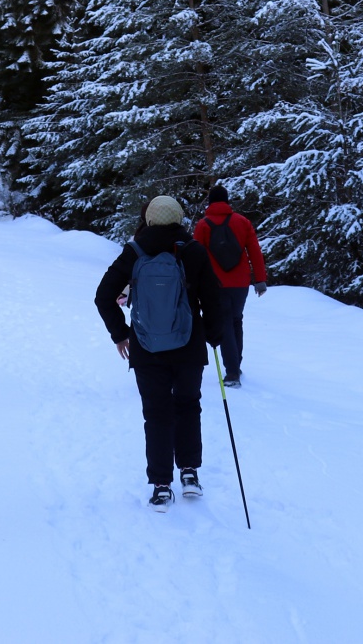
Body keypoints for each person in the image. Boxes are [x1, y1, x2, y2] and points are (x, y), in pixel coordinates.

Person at [94, 195, 226, 512]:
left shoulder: (134, 251)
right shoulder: (194, 251)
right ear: (179, 218)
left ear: (149, 219)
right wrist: (213, 335)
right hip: (189, 345)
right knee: (188, 406)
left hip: (146, 346)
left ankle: (161, 486)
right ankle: (190, 472)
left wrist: (121, 334)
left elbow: (103, 296)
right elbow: (214, 299)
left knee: (156, 414)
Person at [193, 185, 267, 389]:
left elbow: (195, 256)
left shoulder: (203, 225)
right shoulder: (242, 222)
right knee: (236, 320)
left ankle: (232, 372)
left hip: (215, 283)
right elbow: (254, 251)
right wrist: (260, 280)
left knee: (224, 322)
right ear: (227, 201)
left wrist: (194, 283)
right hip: (240, 283)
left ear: (210, 202)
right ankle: (236, 365)